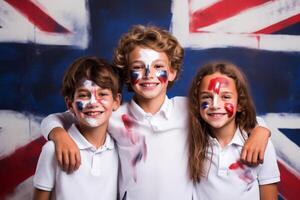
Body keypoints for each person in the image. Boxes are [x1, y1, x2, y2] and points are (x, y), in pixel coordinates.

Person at [40, 25, 271, 200]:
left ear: (172, 73)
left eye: (159, 67)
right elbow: (57, 118)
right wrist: (58, 135)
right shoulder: (114, 115)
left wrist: (261, 130)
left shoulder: (188, 109)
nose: (149, 74)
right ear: (127, 74)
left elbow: (230, 114)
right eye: (138, 68)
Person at [188, 61, 280, 200]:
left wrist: (262, 130)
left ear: (240, 104)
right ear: (197, 103)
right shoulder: (191, 141)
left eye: (225, 97)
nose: (215, 105)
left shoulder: (260, 144)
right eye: (207, 97)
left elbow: (269, 194)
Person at [33, 56, 121, 200]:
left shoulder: (120, 148)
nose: (93, 102)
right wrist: (58, 134)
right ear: (70, 104)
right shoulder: (52, 150)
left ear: (116, 102)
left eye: (103, 94)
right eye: (84, 95)